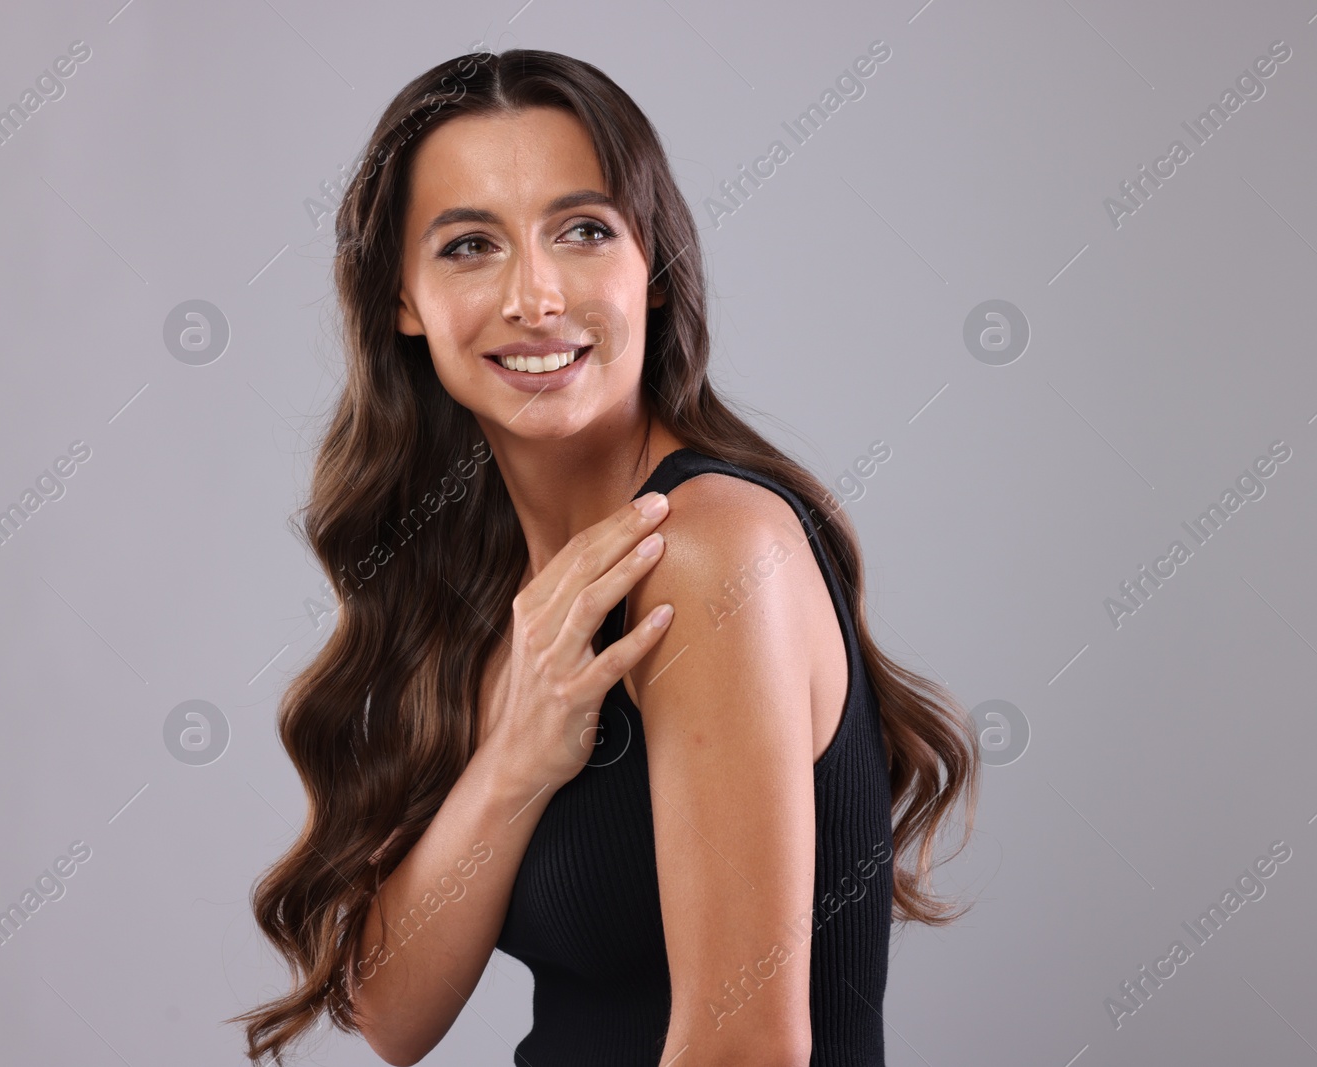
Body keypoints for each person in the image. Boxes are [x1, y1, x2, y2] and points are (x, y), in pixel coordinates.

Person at [231, 48, 979, 1067]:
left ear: (654, 269)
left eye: (582, 230)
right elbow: (393, 1014)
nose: (535, 297)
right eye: (467, 246)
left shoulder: (713, 547)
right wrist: (516, 758)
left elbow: (745, 1047)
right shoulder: (491, 584)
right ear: (401, 300)